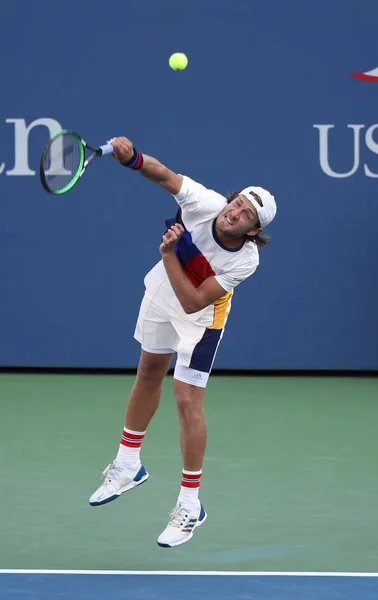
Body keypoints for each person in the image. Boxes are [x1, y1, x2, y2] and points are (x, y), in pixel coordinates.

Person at [89, 136, 277, 548]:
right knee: (147, 373)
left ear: (253, 230)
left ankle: (190, 506)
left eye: (247, 214)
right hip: (161, 294)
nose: (236, 212)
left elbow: (194, 302)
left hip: (201, 321)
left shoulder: (244, 260)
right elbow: (164, 176)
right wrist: (133, 158)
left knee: (186, 401)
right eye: (238, 202)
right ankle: (126, 465)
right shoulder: (204, 202)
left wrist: (171, 254)